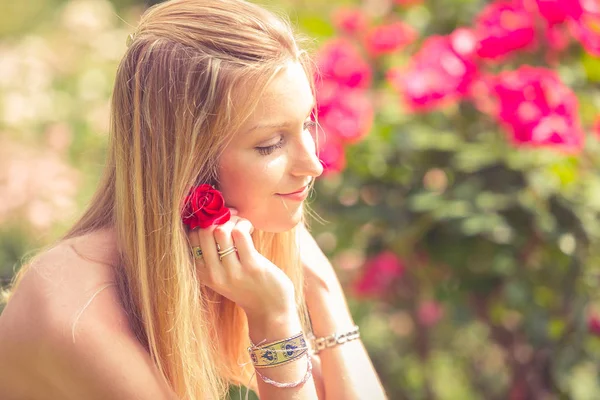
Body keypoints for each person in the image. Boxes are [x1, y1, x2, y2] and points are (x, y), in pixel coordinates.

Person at [0, 0, 387, 399]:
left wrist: (322, 290)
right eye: (271, 144)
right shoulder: (77, 311)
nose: (313, 165)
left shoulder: (229, 263)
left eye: (307, 123)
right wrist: (274, 321)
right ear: (186, 166)